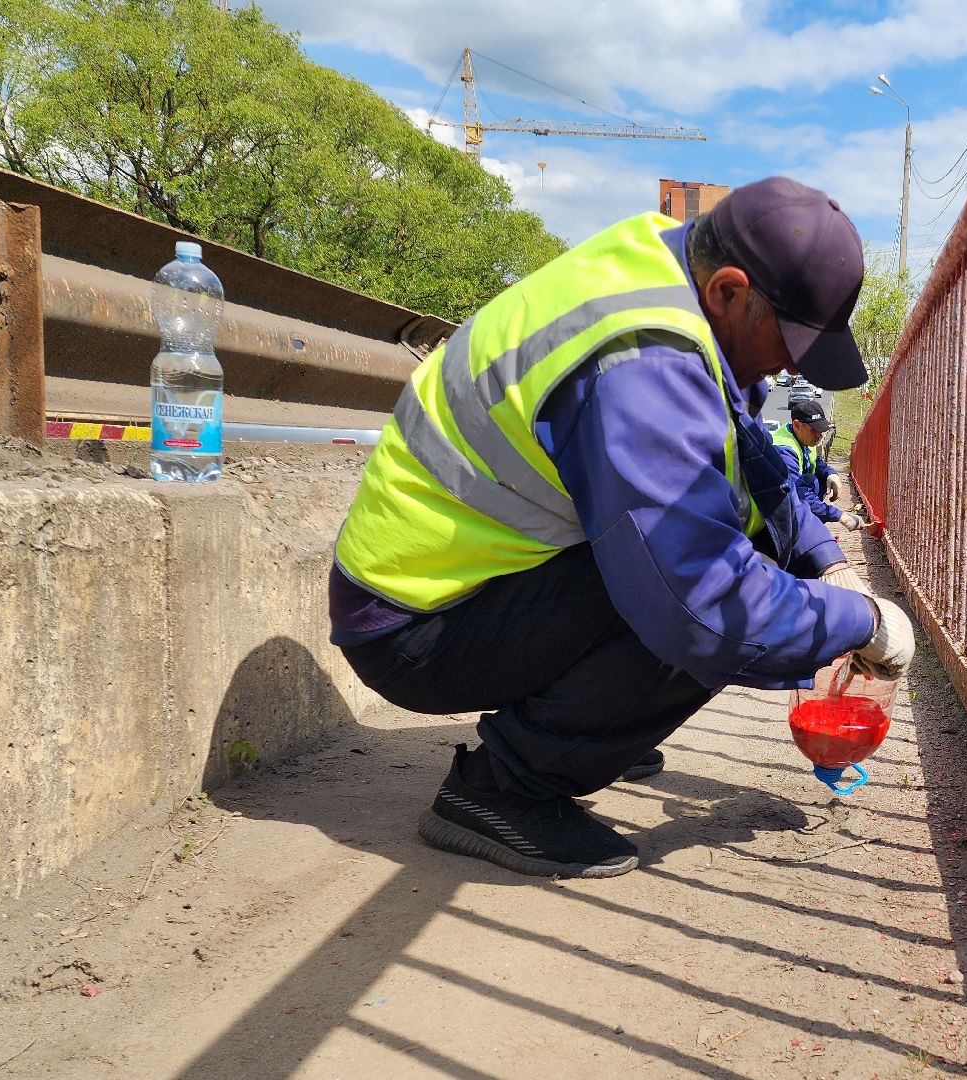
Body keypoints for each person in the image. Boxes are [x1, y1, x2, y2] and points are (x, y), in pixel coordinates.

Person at [326, 177, 914, 880]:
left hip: (460, 583)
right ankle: (502, 790)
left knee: (745, 553)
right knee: (705, 594)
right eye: (787, 340)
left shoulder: (663, 266)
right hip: (416, 624)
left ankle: (586, 720)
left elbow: (744, 454)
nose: (791, 366)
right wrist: (857, 622)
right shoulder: (642, 361)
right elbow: (704, 605)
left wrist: (823, 560)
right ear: (729, 290)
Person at [773, 398, 862, 531]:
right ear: (797, 425)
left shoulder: (803, 439)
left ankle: (809, 524)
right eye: (814, 430)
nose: (819, 435)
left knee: (816, 479)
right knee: (810, 481)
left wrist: (830, 473)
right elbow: (799, 492)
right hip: (776, 511)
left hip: (793, 500)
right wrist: (840, 516)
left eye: (821, 430)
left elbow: (815, 460)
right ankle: (802, 530)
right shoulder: (784, 450)